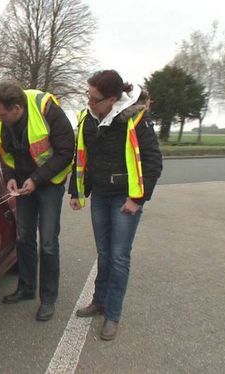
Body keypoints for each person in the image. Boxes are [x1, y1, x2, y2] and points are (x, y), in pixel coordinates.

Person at [68, 70, 163, 340]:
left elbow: (153, 162)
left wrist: (137, 200)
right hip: (99, 195)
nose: (89, 103)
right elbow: (80, 156)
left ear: (112, 99)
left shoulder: (136, 120)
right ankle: (99, 301)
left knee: (119, 256)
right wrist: (76, 191)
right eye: (87, 96)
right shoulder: (88, 119)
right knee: (104, 253)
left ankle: (113, 314)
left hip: (125, 199)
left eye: (95, 99)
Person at [0, 81, 75, 321]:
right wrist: (11, 178)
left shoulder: (46, 109)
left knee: (47, 242)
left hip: (49, 184)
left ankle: (48, 299)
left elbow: (66, 152)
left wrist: (36, 179)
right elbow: (6, 154)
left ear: (16, 108)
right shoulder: (5, 118)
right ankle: (25, 288)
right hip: (25, 185)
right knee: (24, 237)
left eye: (2, 114)